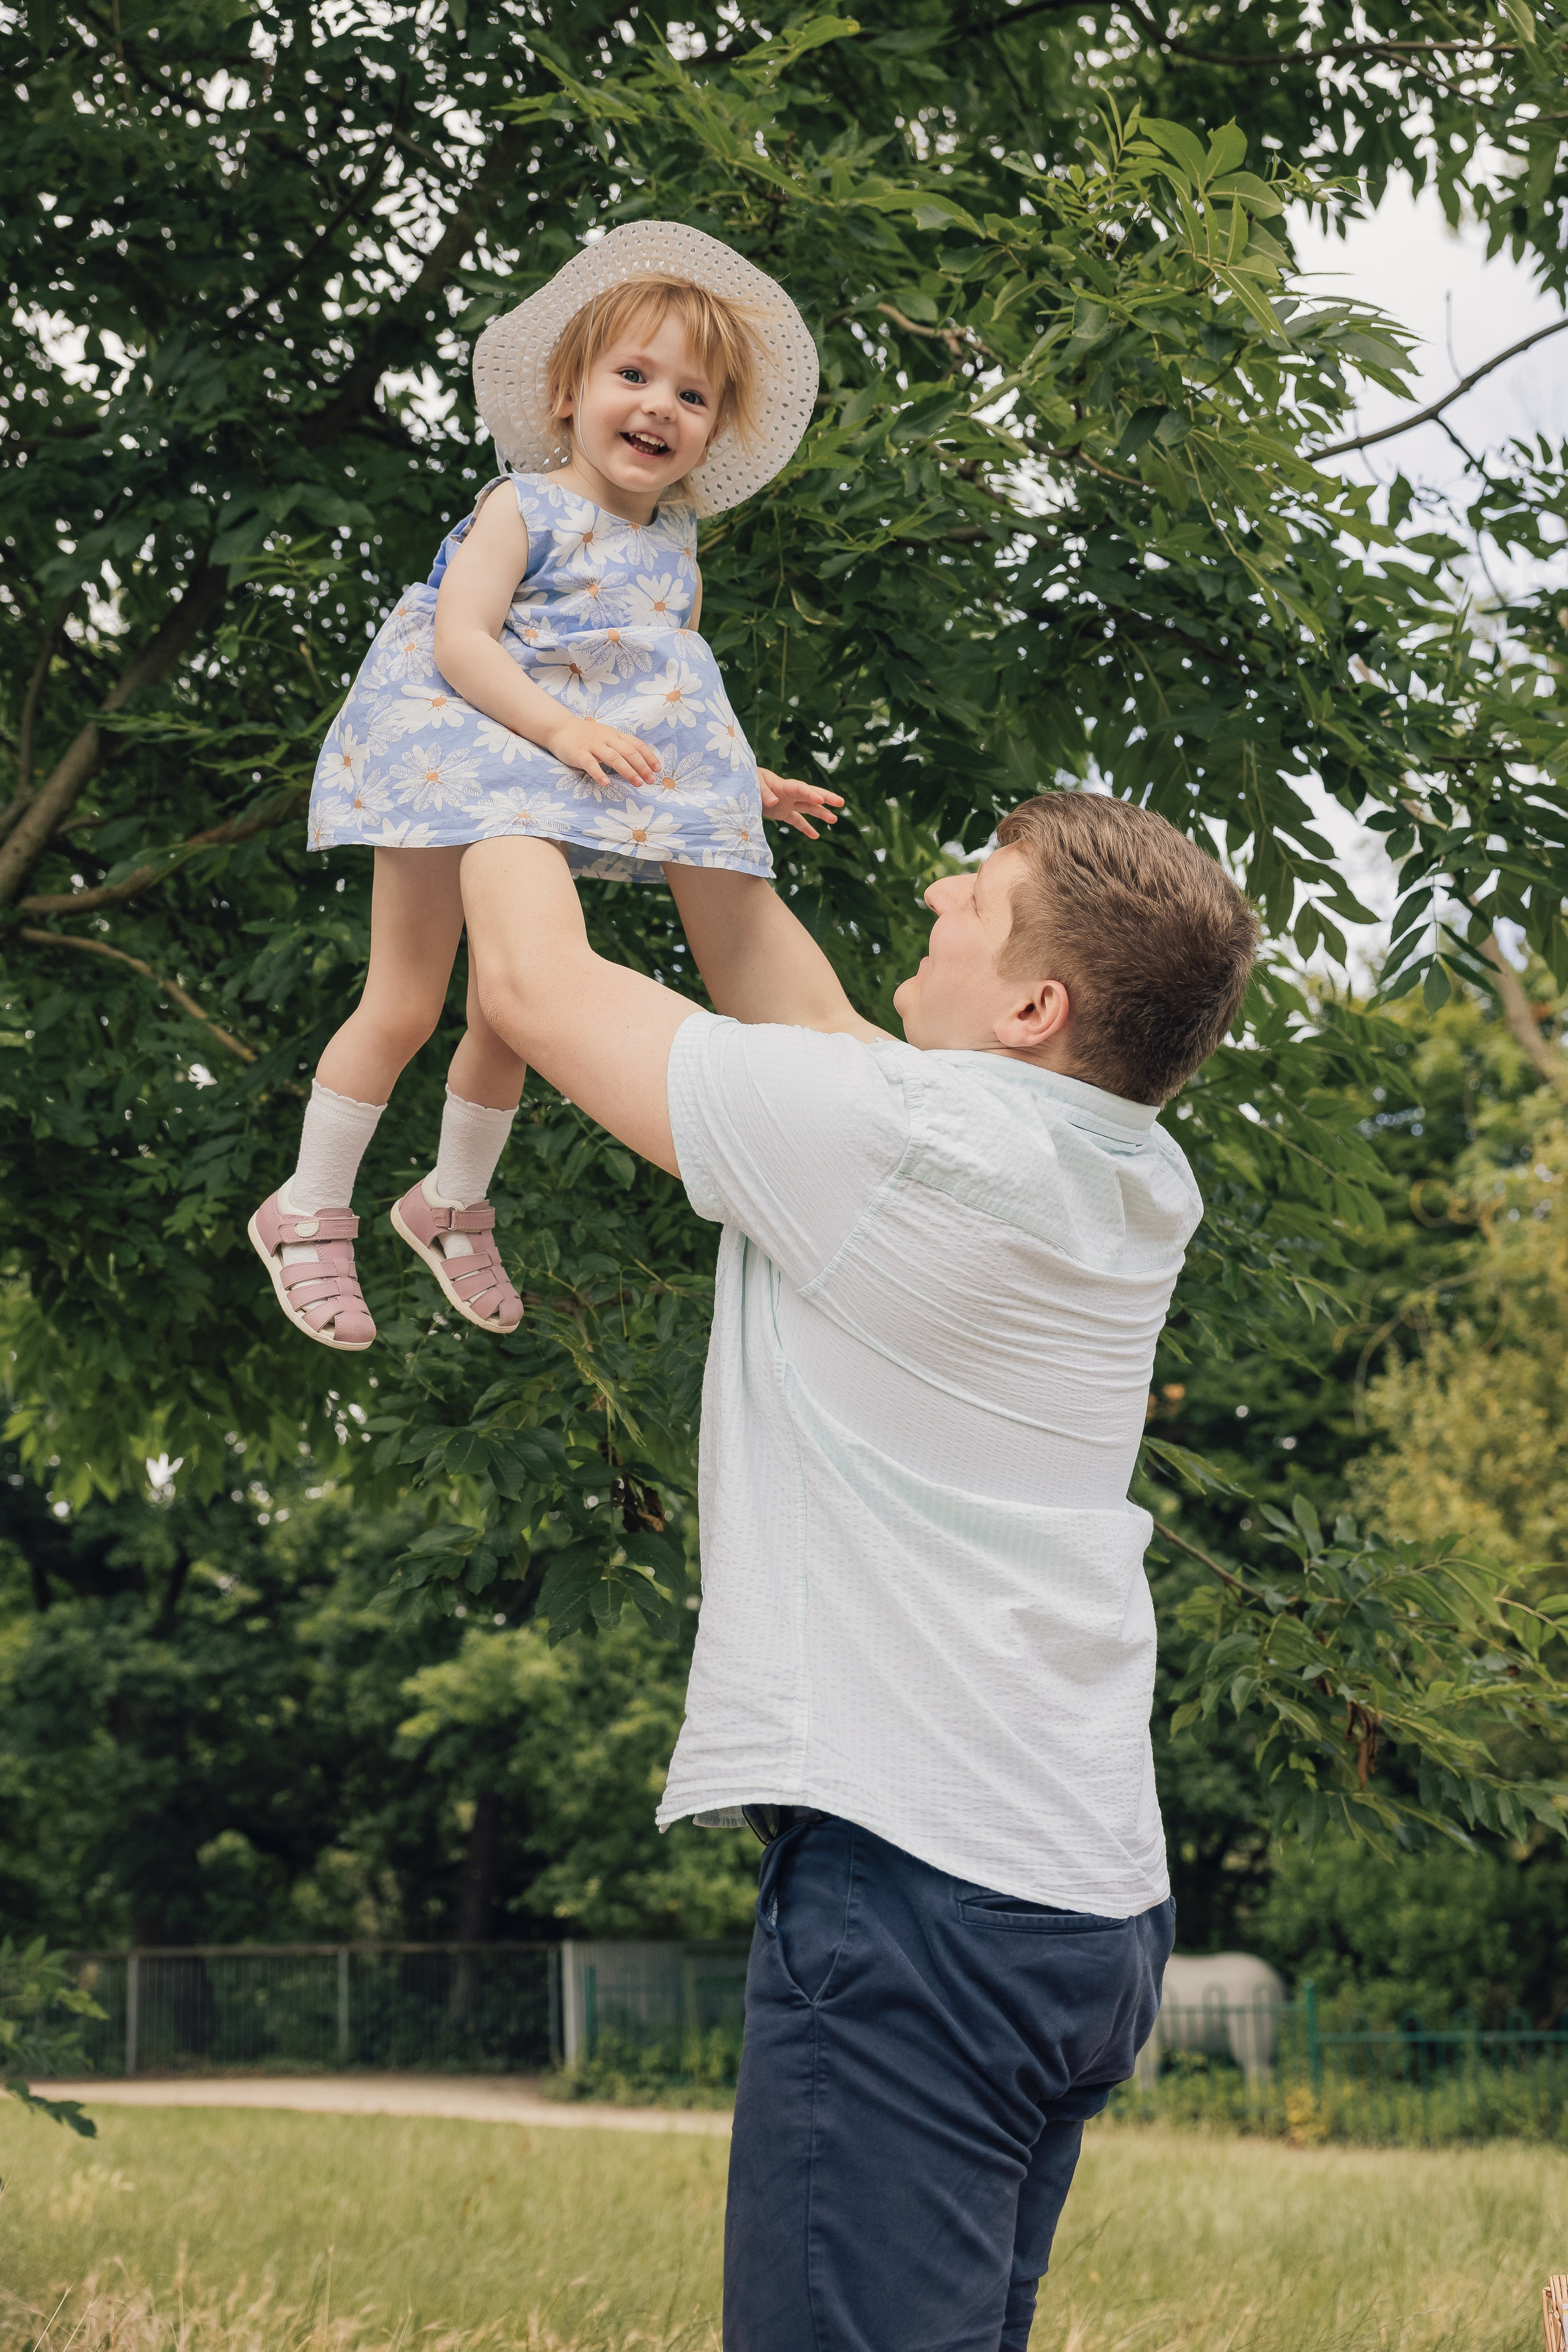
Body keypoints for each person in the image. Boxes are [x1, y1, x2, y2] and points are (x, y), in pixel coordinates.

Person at [453, 787, 1257, 2351]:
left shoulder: (907, 1146)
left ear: (1035, 1006)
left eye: (982, 889)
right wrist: (670, 750)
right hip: (1078, 1899)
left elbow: (528, 990)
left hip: (922, 1894)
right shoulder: (1115, 1169)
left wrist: (489, 742)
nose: (943, 887)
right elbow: (795, 1003)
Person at [248, 222, 839, 1352]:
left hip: (549, 767)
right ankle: (310, 1206)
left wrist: (739, 778)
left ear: (711, 433)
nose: (660, 406)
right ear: (567, 395)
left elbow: (653, 694)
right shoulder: (523, 504)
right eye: (634, 375)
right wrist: (561, 727)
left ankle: (449, 1201)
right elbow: (464, 642)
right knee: (406, 1000)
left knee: (516, 1011)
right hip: (458, 745)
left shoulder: (678, 551)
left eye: (693, 394)